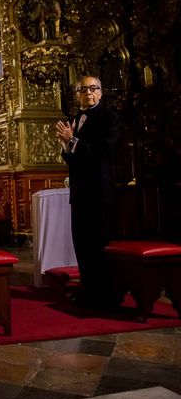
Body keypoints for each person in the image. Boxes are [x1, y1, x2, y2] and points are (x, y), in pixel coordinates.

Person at [55, 76, 121, 309]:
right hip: (80, 192)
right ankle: (88, 290)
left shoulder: (109, 118)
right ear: (77, 94)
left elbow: (104, 152)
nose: (89, 93)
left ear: (101, 93)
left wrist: (72, 140)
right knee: (81, 243)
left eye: (93, 89)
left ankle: (104, 296)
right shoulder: (75, 118)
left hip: (99, 193)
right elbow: (73, 157)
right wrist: (66, 145)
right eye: (83, 89)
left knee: (98, 246)